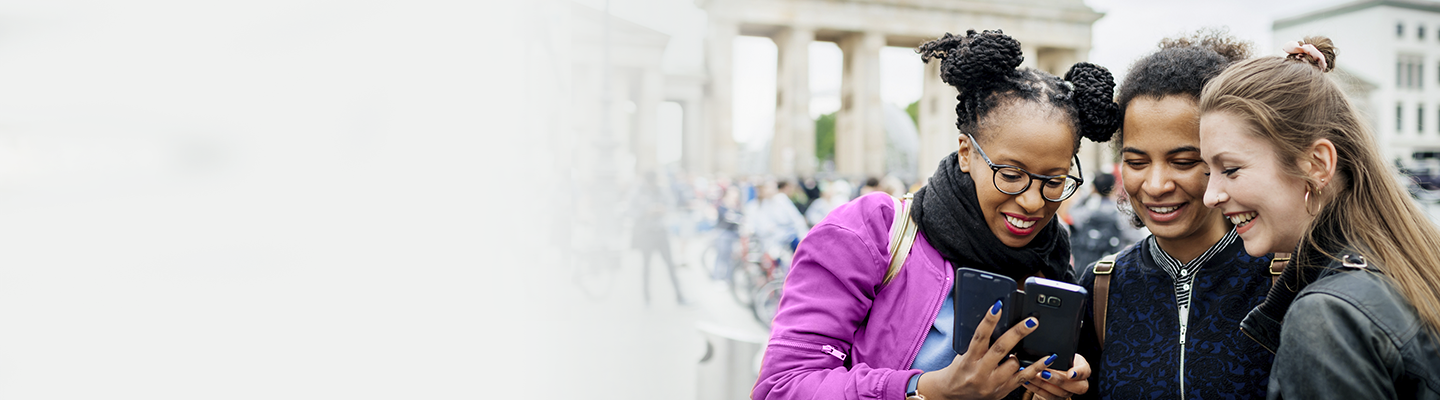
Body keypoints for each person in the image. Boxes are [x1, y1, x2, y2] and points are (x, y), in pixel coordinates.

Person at [752, 29, 1122, 400]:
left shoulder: (1052, 257)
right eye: (1010, 175)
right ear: (966, 151)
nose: (1032, 202)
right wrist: (925, 389)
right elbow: (781, 388)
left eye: (1054, 182)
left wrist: (1061, 388)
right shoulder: (871, 232)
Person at [1198, 37, 1440, 399]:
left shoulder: (1327, 316)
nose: (1210, 196)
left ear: (1317, 164)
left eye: (1230, 169)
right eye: (1207, 172)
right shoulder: (1404, 262)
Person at [1071, 31, 1284, 400]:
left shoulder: (1285, 278)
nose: (1155, 185)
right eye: (1136, 162)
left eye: (1183, 162)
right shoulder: (1102, 286)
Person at [628, 171, 687, 306]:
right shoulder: (637, 192)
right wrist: (645, 212)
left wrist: (663, 209)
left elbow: (672, 205)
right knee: (646, 267)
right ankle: (646, 298)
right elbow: (631, 211)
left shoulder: (662, 191)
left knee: (670, 266)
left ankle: (680, 295)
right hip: (646, 234)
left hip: (661, 232)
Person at [1066, 173, 1125, 271]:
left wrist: (1089, 193)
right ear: (1113, 187)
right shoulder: (1121, 213)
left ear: (1094, 188)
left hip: (1084, 267)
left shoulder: (1086, 213)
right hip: (1111, 268)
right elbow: (1134, 237)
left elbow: (1071, 211)